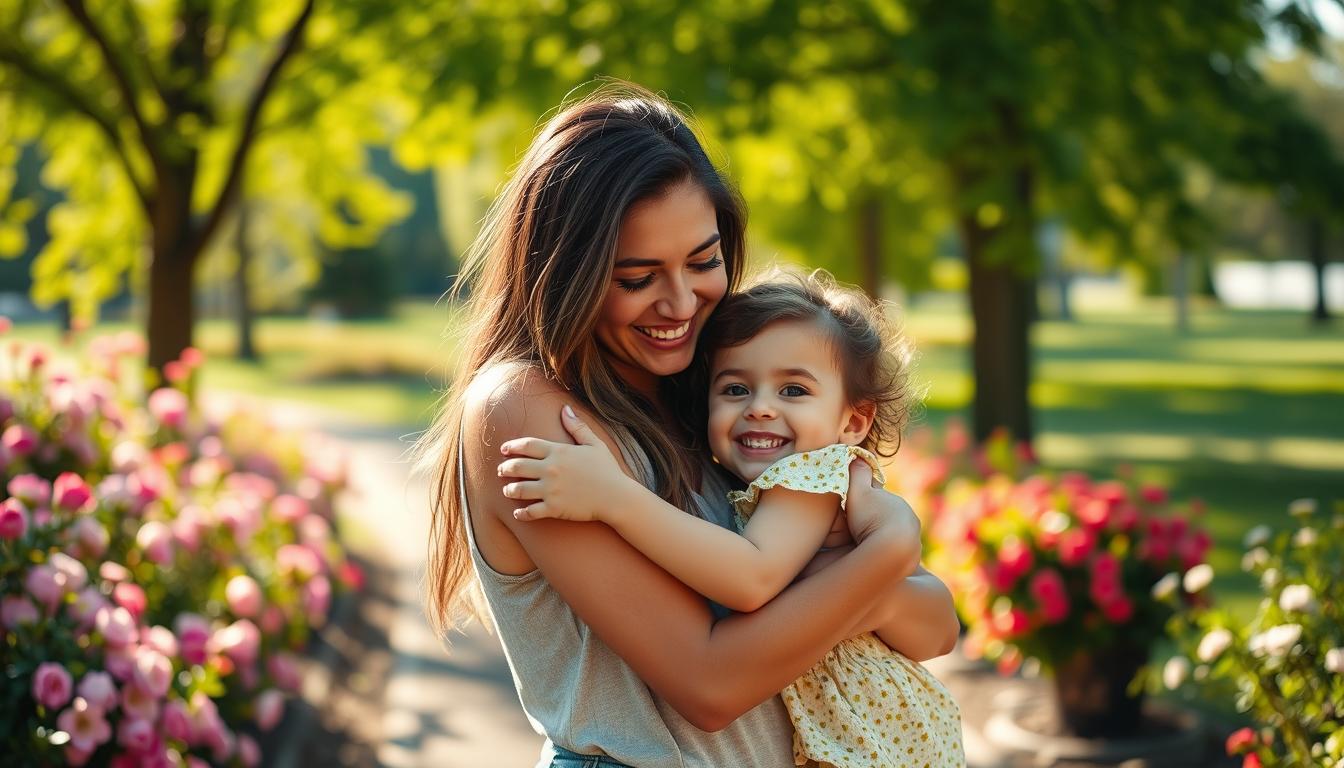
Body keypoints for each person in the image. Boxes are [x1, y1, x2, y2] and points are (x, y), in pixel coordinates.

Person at [418, 83, 959, 768]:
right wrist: (882, 555)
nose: (681, 302)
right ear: (568, 273)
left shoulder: (706, 390)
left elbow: (938, 621)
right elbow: (711, 683)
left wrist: (855, 583)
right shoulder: (525, 410)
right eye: (638, 277)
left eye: (704, 262)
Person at [504, 272, 964, 767]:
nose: (761, 408)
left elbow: (751, 577)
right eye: (736, 388)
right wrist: (869, 594)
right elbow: (934, 628)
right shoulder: (775, 486)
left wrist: (615, 497)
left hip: (879, 740)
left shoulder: (811, 476)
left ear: (852, 422)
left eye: (793, 390)